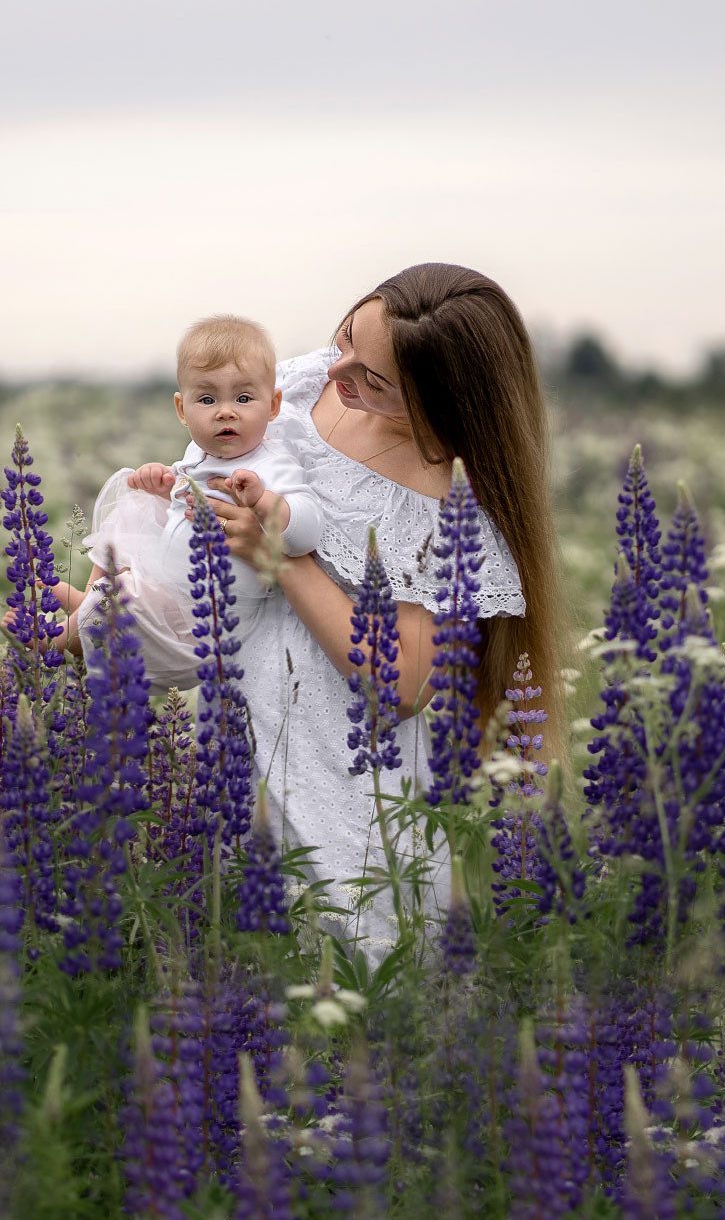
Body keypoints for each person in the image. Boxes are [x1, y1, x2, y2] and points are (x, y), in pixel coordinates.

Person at [194, 263, 568, 955]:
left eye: (373, 381)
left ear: (440, 405)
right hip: (235, 734)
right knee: (221, 961)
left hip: (345, 778)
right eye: (346, 339)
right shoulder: (303, 383)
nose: (338, 371)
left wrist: (283, 558)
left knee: (337, 978)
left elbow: (403, 683)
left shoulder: (443, 496)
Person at [62, 315, 325, 688]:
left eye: (243, 398)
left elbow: (307, 531)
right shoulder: (197, 453)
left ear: (273, 405)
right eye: (207, 399)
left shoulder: (272, 465)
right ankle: (88, 601)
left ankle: (59, 642)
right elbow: (181, 502)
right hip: (169, 585)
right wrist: (162, 487)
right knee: (131, 507)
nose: (225, 411)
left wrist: (264, 501)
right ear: (182, 410)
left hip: (208, 619)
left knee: (120, 600)